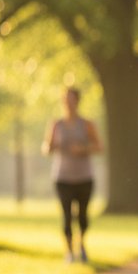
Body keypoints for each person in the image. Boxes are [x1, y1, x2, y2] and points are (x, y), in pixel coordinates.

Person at [42, 87, 102, 263]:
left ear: (77, 101)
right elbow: (46, 148)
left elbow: (99, 146)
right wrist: (52, 147)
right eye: (65, 99)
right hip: (62, 177)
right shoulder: (56, 124)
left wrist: (82, 149)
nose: (68, 103)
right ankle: (69, 251)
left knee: (82, 215)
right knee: (66, 215)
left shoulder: (87, 124)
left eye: (71, 99)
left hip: (84, 177)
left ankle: (81, 245)